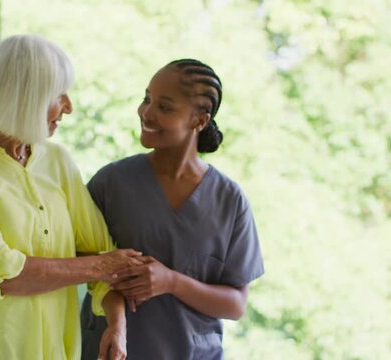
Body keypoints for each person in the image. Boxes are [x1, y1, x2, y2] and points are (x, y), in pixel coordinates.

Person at [0, 34, 137, 360]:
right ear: (25, 99)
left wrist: (117, 327)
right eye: (58, 96)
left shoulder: (57, 161)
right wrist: (101, 266)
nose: (68, 107)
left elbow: (102, 252)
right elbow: (3, 274)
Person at [81, 59, 264, 360]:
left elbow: (235, 304)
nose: (146, 112)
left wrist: (172, 281)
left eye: (164, 107)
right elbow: (74, 260)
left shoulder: (229, 201)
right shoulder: (111, 183)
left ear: (200, 121)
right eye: (146, 99)